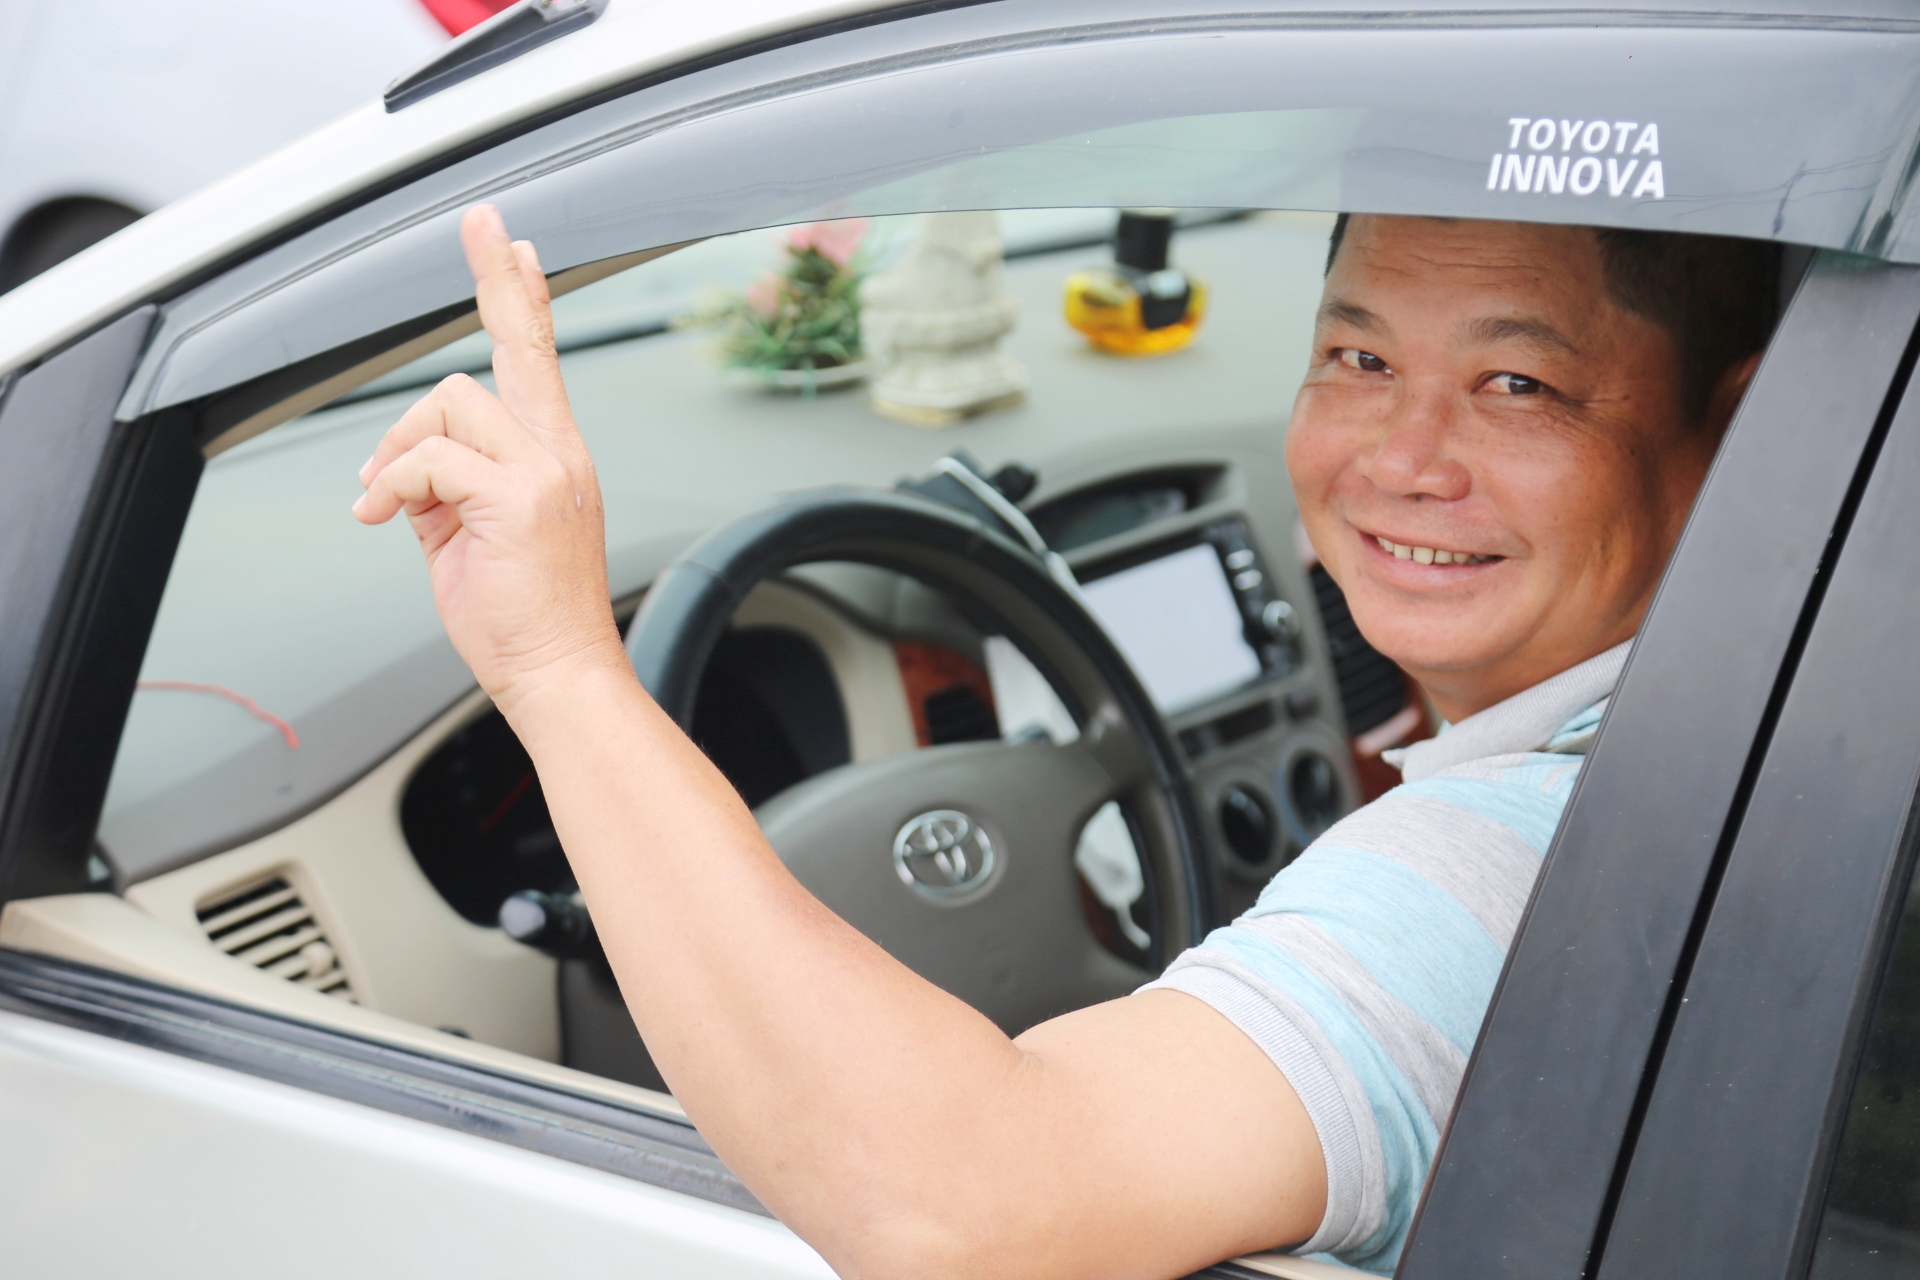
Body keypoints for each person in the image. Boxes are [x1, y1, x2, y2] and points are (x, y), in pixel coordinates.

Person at [353, 206, 1780, 1278]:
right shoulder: (1765, 736)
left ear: (1739, 431)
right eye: (1357, 355)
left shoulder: (1511, 870)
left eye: (1516, 385)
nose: (1402, 458)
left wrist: (556, 669)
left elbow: (960, 1202)